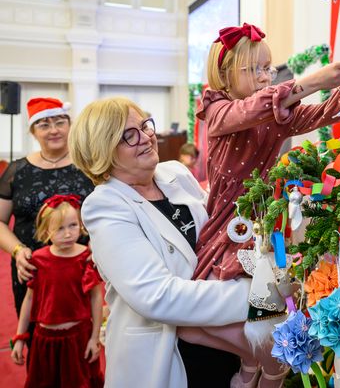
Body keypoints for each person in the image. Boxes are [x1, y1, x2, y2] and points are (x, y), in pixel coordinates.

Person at [184, 23, 340, 388]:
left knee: (268, 317)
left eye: (267, 68)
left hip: (264, 226)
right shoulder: (218, 111)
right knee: (210, 322)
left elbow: (322, 113)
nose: (264, 76)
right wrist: (312, 81)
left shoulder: (275, 114)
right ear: (225, 75)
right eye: (253, 68)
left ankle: (257, 367)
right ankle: (252, 362)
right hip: (227, 229)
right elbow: (248, 110)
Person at [68, 96, 252, 388]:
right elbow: (158, 296)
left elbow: (217, 234)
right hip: (168, 358)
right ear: (103, 149)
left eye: (145, 126)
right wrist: (254, 298)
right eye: (128, 135)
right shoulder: (104, 205)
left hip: (223, 340)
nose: (146, 138)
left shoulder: (175, 172)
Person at [0, 97, 94, 317]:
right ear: (33, 131)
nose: (54, 130)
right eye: (44, 125)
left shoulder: (89, 166)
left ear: (70, 125)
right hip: (32, 269)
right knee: (33, 326)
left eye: (60, 122)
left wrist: (97, 244)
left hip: (80, 267)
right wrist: (17, 251)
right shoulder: (17, 170)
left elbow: (108, 214)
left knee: (81, 328)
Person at [10, 194, 104, 388]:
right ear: (46, 230)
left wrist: (94, 338)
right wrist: (20, 337)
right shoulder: (38, 260)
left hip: (78, 339)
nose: (68, 234)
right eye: (59, 228)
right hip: (44, 341)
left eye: (73, 225)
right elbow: (29, 300)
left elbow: (96, 298)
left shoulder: (86, 258)